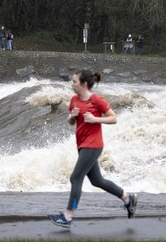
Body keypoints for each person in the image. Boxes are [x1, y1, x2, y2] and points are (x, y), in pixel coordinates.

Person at [47, 70, 138, 228]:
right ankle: (128, 199)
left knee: (75, 178)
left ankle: (68, 216)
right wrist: (72, 116)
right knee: (97, 181)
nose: (72, 84)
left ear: (83, 84)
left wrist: (95, 119)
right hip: (82, 145)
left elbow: (113, 118)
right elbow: (71, 122)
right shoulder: (74, 99)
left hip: (93, 145)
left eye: (74, 81)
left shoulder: (96, 100)